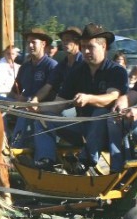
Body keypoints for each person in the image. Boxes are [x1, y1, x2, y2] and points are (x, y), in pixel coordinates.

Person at [32, 23, 129, 173]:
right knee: (42, 117)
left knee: (101, 112)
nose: (86, 51)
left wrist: (89, 98)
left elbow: (112, 97)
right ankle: (46, 161)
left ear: (104, 47)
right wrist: (37, 108)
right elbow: (59, 104)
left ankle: (86, 161)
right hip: (82, 128)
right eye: (83, 47)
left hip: (108, 132)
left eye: (90, 47)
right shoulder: (76, 72)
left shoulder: (116, 70)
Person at [9, 28, 58, 165]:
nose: (30, 45)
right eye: (28, 42)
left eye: (33, 42)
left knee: (25, 113)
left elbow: (52, 92)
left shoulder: (52, 66)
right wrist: (18, 97)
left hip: (44, 107)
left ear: (43, 44)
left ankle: (15, 150)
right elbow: (13, 91)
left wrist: (31, 100)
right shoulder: (25, 67)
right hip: (24, 104)